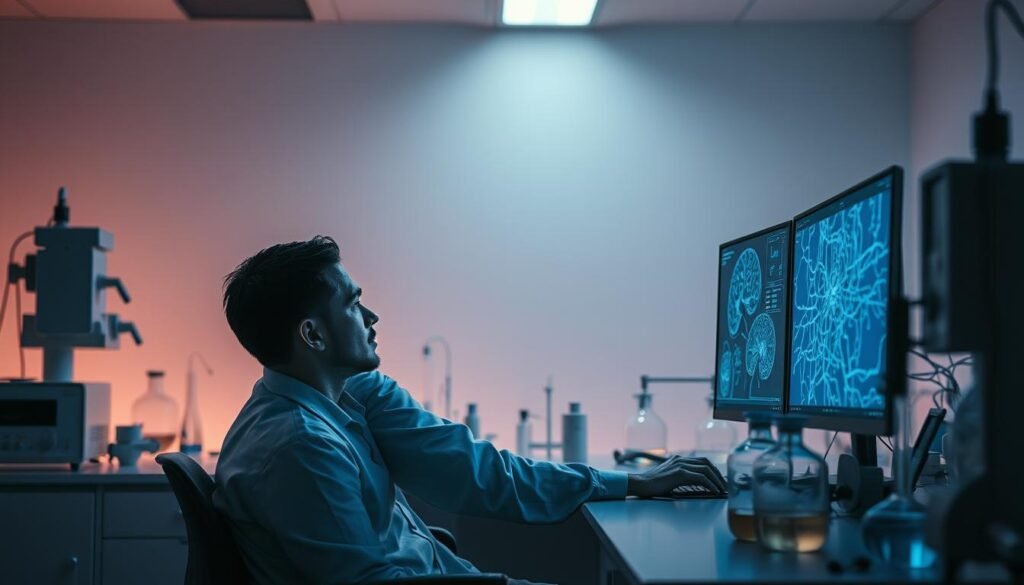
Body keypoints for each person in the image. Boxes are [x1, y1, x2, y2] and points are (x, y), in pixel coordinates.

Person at [213, 236, 727, 585]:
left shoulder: (355, 394)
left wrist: (633, 483)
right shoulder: (300, 448)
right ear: (313, 334)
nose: (371, 316)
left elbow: (479, 472)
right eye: (351, 304)